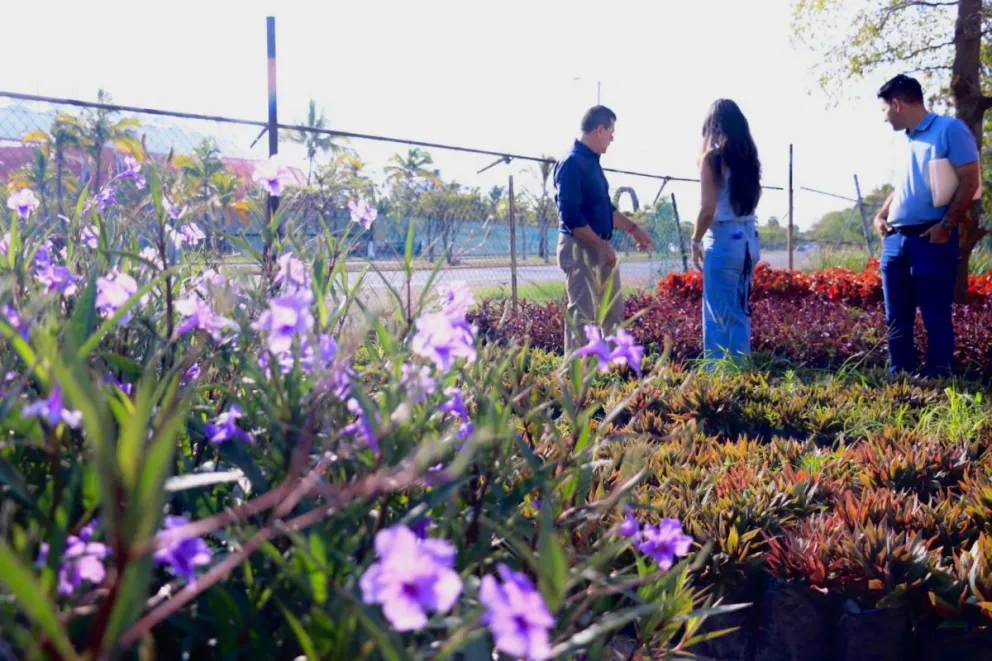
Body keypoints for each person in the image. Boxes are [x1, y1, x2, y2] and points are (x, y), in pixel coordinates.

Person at [872, 74, 981, 379]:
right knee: (896, 317)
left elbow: (970, 180)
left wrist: (946, 224)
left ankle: (938, 378)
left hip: (931, 237)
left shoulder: (949, 130)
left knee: (935, 315)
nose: (884, 117)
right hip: (895, 241)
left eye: (884, 110)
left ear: (897, 104)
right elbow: (902, 187)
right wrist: (882, 215)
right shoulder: (907, 140)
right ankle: (901, 378)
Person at [553, 105, 656, 355]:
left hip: (601, 247)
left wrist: (633, 229)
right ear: (599, 129)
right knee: (583, 314)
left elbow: (606, 209)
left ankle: (612, 368)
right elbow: (571, 217)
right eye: (611, 132)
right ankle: (579, 377)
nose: (612, 138)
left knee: (613, 310)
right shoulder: (571, 163)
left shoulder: (591, 163)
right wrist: (601, 246)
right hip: (580, 248)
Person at [689, 99, 762, 363]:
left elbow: (707, 208)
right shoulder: (749, 159)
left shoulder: (713, 158)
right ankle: (742, 370)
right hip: (747, 239)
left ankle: (721, 375)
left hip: (723, 240)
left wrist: (695, 241)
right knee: (740, 311)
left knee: (718, 314)